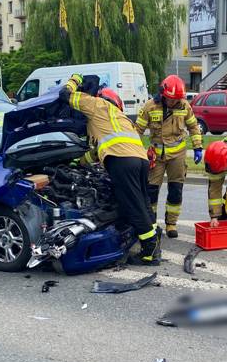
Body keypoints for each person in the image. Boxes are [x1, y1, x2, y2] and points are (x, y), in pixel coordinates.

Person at [61, 73, 161, 265]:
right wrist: (79, 162)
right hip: (139, 161)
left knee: (133, 205)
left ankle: (150, 252)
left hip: (122, 161)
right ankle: (155, 238)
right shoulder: (118, 116)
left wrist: (74, 79)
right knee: (143, 202)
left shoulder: (95, 104)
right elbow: (98, 151)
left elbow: (65, 95)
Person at [135, 75, 203, 239]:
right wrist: (135, 152)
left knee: (175, 190)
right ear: (163, 94)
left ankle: (171, 223)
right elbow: (137, 131)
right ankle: (151, 223)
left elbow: (193, 127)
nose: (174, 102)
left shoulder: (184, 105)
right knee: (151, 191)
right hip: (156, 156)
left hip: (177, 155)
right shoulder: (150, 107)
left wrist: (198, 147)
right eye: (171, 99)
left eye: (177, 99)